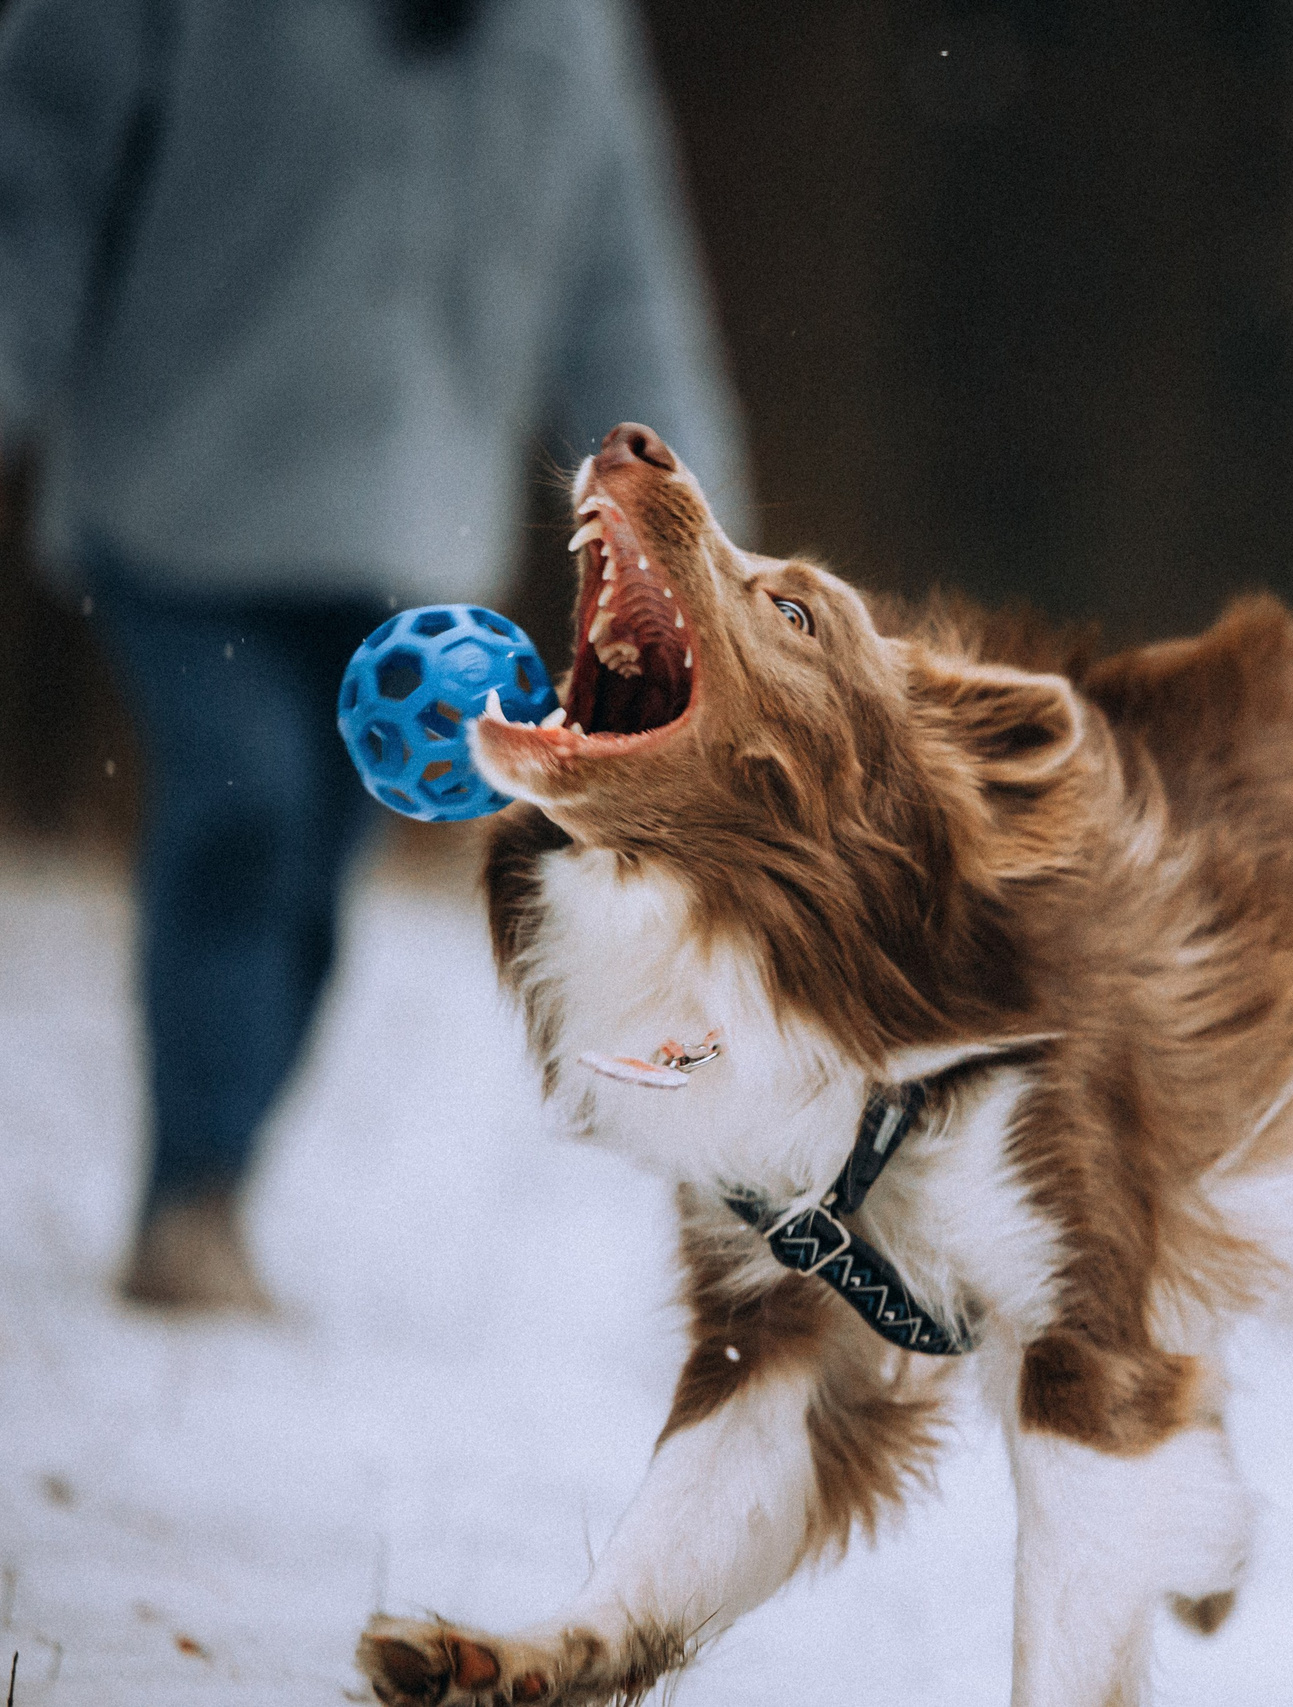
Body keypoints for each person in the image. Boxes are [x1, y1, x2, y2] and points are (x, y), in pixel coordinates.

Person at [0, 0, 747, 1311]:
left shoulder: (565, 30)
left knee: (309, 870)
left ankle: (211, 1176)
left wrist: (699, 543)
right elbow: (36, 175)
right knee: (249, 800)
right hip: (176, 497)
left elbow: (621, 279)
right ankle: (193, 1200)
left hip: (411, 543)